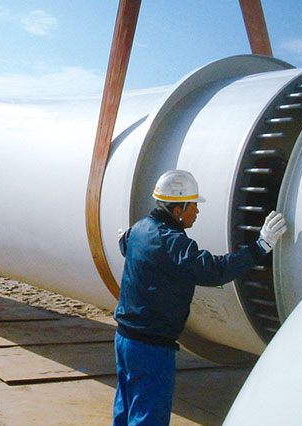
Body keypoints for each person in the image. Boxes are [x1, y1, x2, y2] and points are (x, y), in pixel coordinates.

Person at [113, 169, 287, 426]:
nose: (197, 211)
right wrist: (261, 246)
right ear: (178, 210)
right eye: (193, 205)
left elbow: (124, 244)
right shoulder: (172, 243)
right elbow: (216, 270)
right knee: (148, 415)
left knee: (126, 407)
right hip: (151, 346)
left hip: (125, 340)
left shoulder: (140, 229)